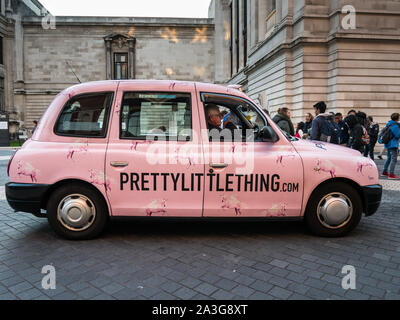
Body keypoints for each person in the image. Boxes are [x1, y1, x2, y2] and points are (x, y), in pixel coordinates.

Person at [381, 113, 400, 179]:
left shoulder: (389, 124)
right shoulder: (395, 126)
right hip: (393, 144)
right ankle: (391, 174)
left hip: (388, 144)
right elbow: (398, 135)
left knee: (389, 158)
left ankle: (384, 172)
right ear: (397, 118)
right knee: (393, 159)